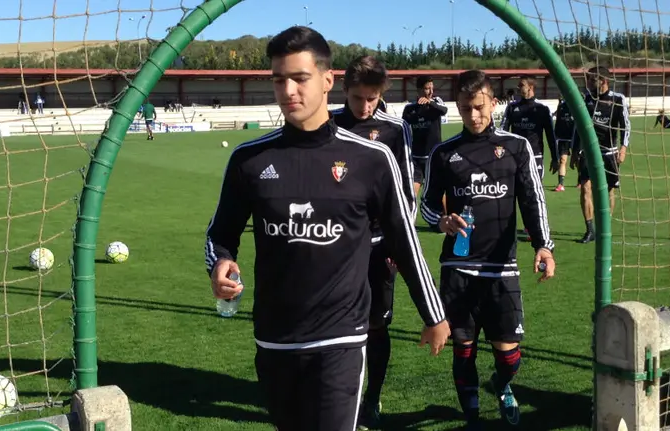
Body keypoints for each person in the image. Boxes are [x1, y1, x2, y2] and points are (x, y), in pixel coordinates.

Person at [204, 26, 450, 431]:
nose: (288, 90)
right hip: (275, 337)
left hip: (341, 337)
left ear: (327, 80)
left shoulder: (372, 158)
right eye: (279, 79)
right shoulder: (249, 160)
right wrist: (221, 263)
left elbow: (403, 240)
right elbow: (220, 234)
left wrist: (433, 313)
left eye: (299, 78)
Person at [420, 69, 556, 430]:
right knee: (463, 349)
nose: (473, 115)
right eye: (465, 109)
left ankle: (501, 383)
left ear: (494, 103)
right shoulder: (444, 153)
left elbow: (532, 200)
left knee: (509, 354)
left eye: (479, 107)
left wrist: (543, 245)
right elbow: (427, 205)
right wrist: (441, 222)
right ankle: (472, 416)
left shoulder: (516, 147)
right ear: (458, 108)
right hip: (458, 269)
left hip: (502, 269)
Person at [330, 55, 415, 430]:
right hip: (337, 247)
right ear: (344, 91)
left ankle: (372, 397)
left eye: (372, 98)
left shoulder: (396, 130)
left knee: (377, 326)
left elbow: (407, 194)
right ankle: (337, 395)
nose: (365, 107)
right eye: (357, 98)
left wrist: (401, 244)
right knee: (334, 325)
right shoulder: (329, 124)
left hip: (381, 245)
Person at [571, 66, 630, 243]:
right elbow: (578, 127)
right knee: (586, 188)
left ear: (603, 81)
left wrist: (624, 147)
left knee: (608, 191)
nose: (587, 83)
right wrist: (575, 150)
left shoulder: (618, 99)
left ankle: (605, 228)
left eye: (591, 80)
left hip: (609, 153)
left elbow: (626, 125)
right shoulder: (585, 99)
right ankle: (589, 230)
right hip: (588, 153)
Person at [500, 75, 558, 180]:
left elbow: (551, 136)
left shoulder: (542, 109)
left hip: (535, 156)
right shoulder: (512, 108)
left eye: (521, 85)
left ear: (530, 87)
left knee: (534, 192)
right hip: (515, 155)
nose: (518, 87)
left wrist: (555, 158)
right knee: (514, 192)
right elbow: (502, 132)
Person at [402, 75, 449, 197]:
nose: (431, 91)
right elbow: (403, 128)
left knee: (439, 193)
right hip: (416, 158)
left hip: (434, 157)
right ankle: (408, 215)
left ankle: (446, 215)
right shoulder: (409, 108)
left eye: (432, 88)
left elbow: (444, 110)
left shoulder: (436, 101)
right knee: (411, 194)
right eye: (427, 88)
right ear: (419, 90)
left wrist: (430, 103)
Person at [553, 95, 576, 191]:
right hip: (563, 138)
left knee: (578, 160)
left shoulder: (576, 106)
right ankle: (560, 184)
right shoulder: (561, 106)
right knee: (562, 160)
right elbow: (558, 122)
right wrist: (555, 136)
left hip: (575, 137)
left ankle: (580, 181)